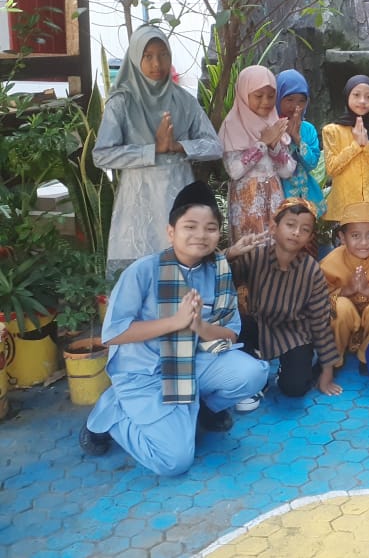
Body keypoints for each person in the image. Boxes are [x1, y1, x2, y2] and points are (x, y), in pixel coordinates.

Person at [77, 181, 269, 476]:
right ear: (171, 232)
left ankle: (203, 409)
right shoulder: (143, 271)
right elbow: (114, 333)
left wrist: (200, 326)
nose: (200, 235)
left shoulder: (218, 271)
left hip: (194, 361)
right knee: (174, 461)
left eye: (210, 228)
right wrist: (174, 322)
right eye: (190, 226)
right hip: (145, 372)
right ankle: (112, 412)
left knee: (253, 373)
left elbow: (230, 333)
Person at [94, 26, 222, 275]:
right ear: (135, 58)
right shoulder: (121, 102)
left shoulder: (184, 100)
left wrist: (178, 146)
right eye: (148, 56)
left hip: (179, 194)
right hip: (138, 200)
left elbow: (215, 146)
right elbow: (102, 154)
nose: (157, 63)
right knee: (138, 272)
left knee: (181, 267)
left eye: (163, 55)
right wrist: (152, 151)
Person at [229, 198, 341, 400]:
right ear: (274, 227)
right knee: (237, 323)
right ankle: (254, 366)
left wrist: (327, 372)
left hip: (294, 332)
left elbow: (320, 321)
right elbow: (222, 279)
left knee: (294, 388)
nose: (296, 232)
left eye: (305, 229)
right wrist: (230, 254)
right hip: (258, 325)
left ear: (309, 237)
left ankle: (292, 367)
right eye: (290, 225)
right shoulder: (255, 256)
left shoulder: (311, 270)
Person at [319, 201, 369, 375]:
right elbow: (319, 299)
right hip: (344, 327)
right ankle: (334, 358)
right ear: (342, 237)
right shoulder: (330, 263)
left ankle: (367, 355)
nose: (363, 242)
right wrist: (346, 291)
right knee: (339, 306)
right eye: (355, 235)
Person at [219, 65, 296, 243]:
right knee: (251, 248)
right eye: (259, 96)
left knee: (276, 247)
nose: (266, 102)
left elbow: (287, 171)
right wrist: (262, 144)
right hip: (247, 200)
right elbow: (234, 171)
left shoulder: (274, 123)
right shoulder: (232, 125)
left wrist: (275, 147)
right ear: (244, 94)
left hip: (274, 197)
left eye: (271, 96)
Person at [322, 75, 369, 224]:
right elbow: (332, 169)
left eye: (368, 97)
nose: (362, 101)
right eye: (356, 95)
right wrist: (355, 145)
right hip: (344, 208)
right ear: (347, 96)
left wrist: (366, 144)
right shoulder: (332, 131)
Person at [275, 69, 327, 219]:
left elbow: (312, 163)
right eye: (290, 99)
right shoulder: (270, 126)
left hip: (306, 194)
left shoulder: (308, 129)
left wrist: (297, 139)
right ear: (278, 98)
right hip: (278, 191)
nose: (295, 106)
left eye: (301, 101)